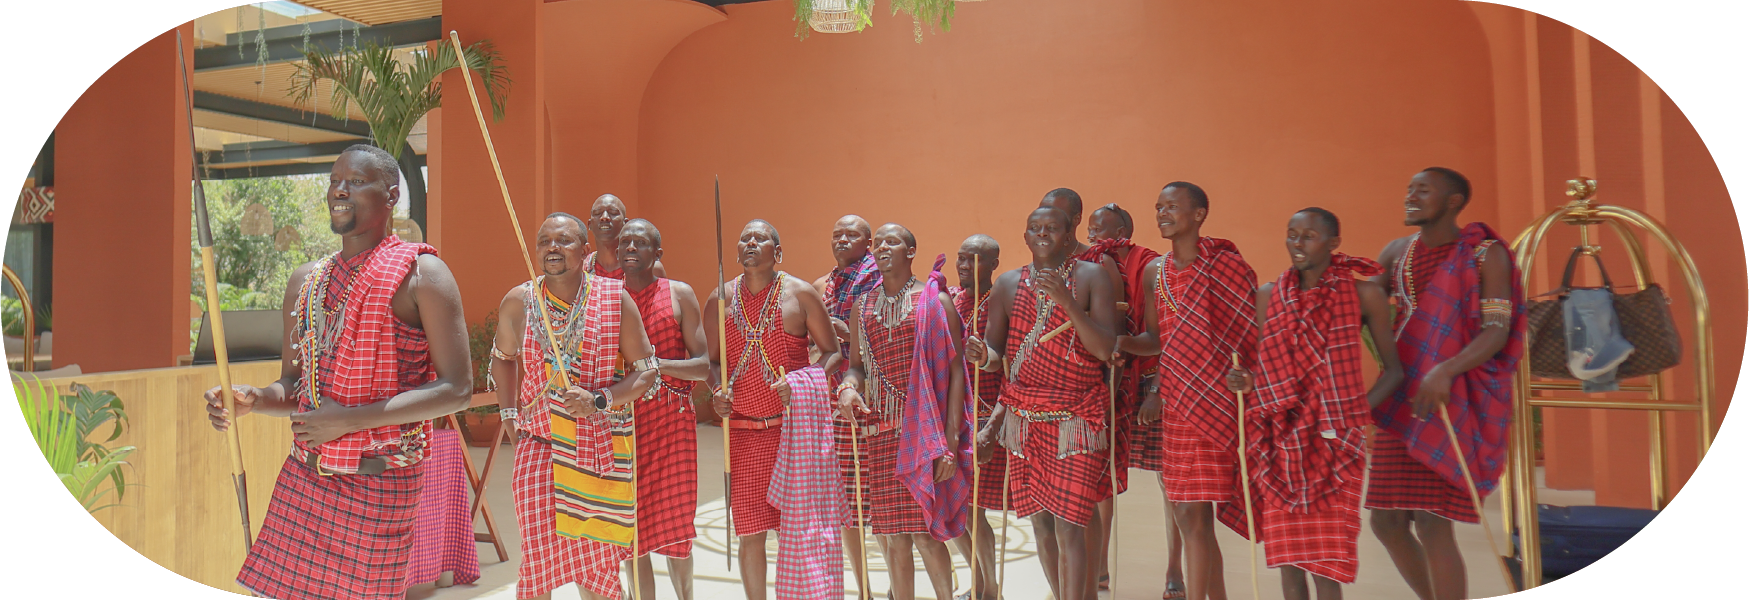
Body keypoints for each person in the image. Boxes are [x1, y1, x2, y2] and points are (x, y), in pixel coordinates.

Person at [203, 144, 473, 600]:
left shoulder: (423, 275)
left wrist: (350, 419)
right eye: (333, 181)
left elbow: (458, 389)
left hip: (380, 481)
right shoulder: (305, 282)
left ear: (391, 195)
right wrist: (255, 399)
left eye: (355, 181)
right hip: (306, 477)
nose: (339, 190)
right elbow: (295, 386)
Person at [1224, 208, 1405, 600]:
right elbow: (1264, 371)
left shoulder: (1363, 295)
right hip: (1279, 441)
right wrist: (1245, 381)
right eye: (1291, 234)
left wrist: (1349, 417)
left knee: (1326, 567)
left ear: (1334, 243)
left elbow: (1393, 372)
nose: (1297, 244)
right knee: (1289, 564)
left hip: (1334, 443)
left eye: (1309, 236)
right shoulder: (1268, 295)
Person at [1366, 168, 1525, 600]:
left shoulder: (1485, 254)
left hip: (1449, 396)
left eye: (1423, 190)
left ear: (1454, 201)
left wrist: (1445, 371)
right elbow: (1358, 305)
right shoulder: (1397, 252)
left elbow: (1497, 330)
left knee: (1434, 520)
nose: (1410, 196)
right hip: (1401, 393)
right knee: (1385, 520)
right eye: (1408, 188)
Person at [489, 212, 659, 600]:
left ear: (585, 251)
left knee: (597, 569)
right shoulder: (519, 301)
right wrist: (509, 415)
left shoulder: (614, 299)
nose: (552, 248)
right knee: (537, 565)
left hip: (596, 455)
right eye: (544, 241)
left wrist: (600, 399)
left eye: (563, 241)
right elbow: (502, 356)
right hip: (540, 452)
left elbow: (648, 372)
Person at [966, 206, 1120, 600]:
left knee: (1071, 523)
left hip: (1074, 420)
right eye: (1034, 228)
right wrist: (981, 355)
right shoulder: (1007, 284)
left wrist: (1067, 302)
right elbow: (999, 358)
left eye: (1051, 228)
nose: (1042, 234)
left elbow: (1104, 349)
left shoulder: (1092, 278)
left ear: (1070, 236)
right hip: (1023, 422)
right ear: (1025, 237)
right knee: (1040, 524)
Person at [1121, 182, 1258, 600]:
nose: (1162, 213)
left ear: (1199, 214)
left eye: (1172, 207)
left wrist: (1248, 375)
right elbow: (1155, 340)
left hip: (1216, 404)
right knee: (1190, 517)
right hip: (1177, 406)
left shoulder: (1228, 267)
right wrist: (1115, 342)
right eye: (1158, 207)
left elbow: (1252, 338)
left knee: (1192, 514)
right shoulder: (1154, 272)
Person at [704, 220, 846, 600]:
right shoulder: (721, 300)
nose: (750, 242)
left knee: (797, 533)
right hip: (744, 435)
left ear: (777, 253)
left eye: (760, 238)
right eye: (744, 238)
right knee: (750, 533)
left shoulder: (799, 294)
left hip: (793, 434)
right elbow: (712, 361)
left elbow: (833, 352)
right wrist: (717, 389)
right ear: (737, 252)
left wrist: (801, 384)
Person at [838, 223, 973, 600]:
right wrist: (848, 388)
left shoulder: (934, 301)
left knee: (925, 534)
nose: (882, 248)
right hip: (880, 435)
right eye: (878, 243)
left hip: (925, 435)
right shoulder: (862, 307)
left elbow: (956, 370)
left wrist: (950, 439)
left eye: (892, 242)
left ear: (911, 252)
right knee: (892, 536)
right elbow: (856, 367)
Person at [1086, 202, 1185, 599]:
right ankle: (1100, 567)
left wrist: (1159, 389)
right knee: (1102, 477)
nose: (1093, 234)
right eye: (1090, 228)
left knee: (1170, 480)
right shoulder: (1092, 268)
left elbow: (1170, 336)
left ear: (1123, 229)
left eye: (1101, 227)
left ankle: (1174, 569)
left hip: (1151, 381)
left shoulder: (1151, 266)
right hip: (1108, 382)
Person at [1039, 189, 1127, 599]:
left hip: (1088, 399)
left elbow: (1113, 336)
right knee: (1047, 514)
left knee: (1083, 504)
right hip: (1037, 405)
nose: (1045, 227)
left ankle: (1093, 580)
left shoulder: (1097, 265)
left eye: (1055, 218)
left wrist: (1109, 396)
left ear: (1073, 221)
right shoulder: (1031, 271)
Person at [618, 219, 710, 600]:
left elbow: (704, 365)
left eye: (640, 242)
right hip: (622, 426)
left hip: (672, 424)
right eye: (625, 242)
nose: (630, 248)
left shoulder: (679, 294)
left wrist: (656, 367)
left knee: (677, 526)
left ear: (658, 252)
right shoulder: (606, 297)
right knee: (631, 528)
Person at [808, 214, 883, 598]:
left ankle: (942, 578)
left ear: (868, 242)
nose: (841, 240)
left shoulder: (882, 284)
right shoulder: (824, 285)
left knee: (889, 503)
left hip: (879, 405)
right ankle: (865, 588)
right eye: (836, 234)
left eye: (851, 235)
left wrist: (849, 332)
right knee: (849, 509)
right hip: (836, 405)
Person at [948, 234, 1004, 600]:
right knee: (952, 510)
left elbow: (1010, 363)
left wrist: (985, 356)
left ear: (993, 265)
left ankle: (989, 590)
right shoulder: (952, 299)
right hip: (952, 418)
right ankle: (979, 582)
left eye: (974, 259)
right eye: (961, 258)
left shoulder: (1003, 301)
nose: (965, 266)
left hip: (984, 419)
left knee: (973, 511)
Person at [582, 193, 666, 279]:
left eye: (613, 212)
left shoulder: (648, 268)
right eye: (597, 213)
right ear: (590, 224)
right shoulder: (580, 268)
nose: (605, 217)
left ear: (625, 224)